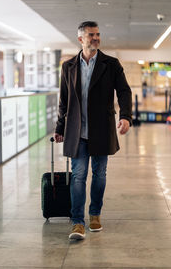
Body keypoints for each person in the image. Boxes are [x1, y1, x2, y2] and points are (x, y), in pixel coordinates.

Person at [54, 21, 132, 240]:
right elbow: (64, 100)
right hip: (77, 131)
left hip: (101, 129)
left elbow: (124, 91)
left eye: (97, 34)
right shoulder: (68, 66)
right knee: (78, 176)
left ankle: (95, 215)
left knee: (99, 175)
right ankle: (77, 222)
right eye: (91, 35)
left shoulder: (111, 64)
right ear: (81, 39)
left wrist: (126, 116)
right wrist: (60, 126)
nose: (96, 38)